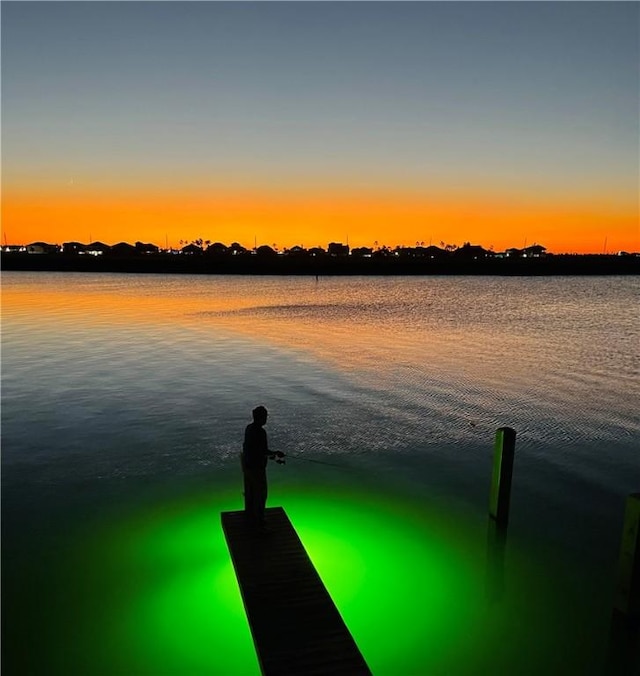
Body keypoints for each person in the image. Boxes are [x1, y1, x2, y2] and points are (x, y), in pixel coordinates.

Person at [241, 405, 284, 528]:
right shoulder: (261, 432)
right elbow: (263, 451)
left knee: (251, 493)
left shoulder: (249, 428)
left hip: (248, 466)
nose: (266, 419)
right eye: (265, 416)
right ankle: (259, 522)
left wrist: (273, 456)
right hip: (257, 469)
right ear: (261, 418)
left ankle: (252, 517)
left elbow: (254, 449)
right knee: (261, 495)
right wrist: (276, 454)